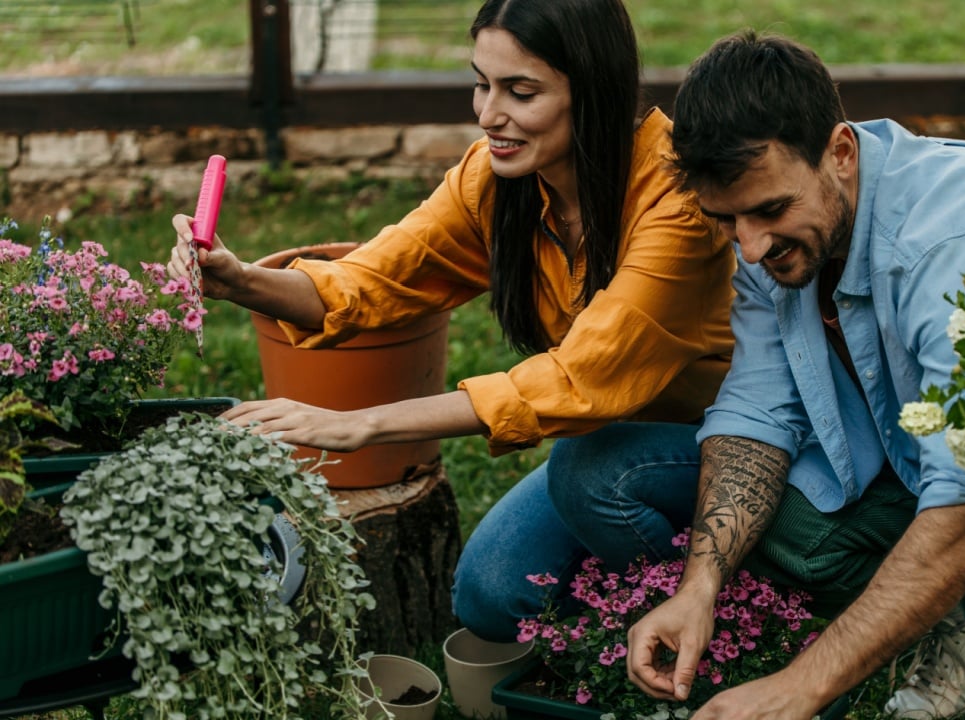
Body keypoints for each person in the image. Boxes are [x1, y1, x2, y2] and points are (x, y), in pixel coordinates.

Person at [621, 30, 965, 720]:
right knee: (783, 528)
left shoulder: (963, 241)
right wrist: (699, 588)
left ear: (839, 152)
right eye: (727, 220)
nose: (749, 245)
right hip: (931, 458)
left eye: (770, 210)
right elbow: (756, 411)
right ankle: (957, 619)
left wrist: (800, 687)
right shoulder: (777, 234)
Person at [165, 0, 735, 642]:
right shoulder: (498, 179)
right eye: (482, 83)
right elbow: (371, 280)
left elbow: (578, 377)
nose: (491, 115)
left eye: (521, 92)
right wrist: (240, 281)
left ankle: (724, 607)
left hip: (719, 442)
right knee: (490, 594)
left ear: (594, 90)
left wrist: (360, 424)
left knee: (593, 476)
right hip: (606, 434)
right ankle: (627, 618)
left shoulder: (677, 203)